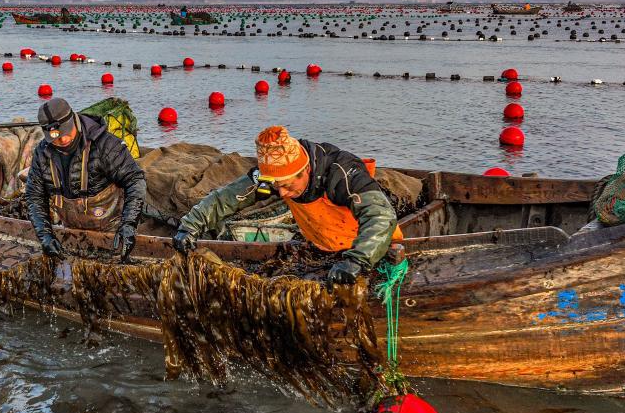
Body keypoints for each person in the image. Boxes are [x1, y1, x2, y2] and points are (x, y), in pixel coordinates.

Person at [173, 126, 398, 288]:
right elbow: (226, 198)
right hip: (322, 249)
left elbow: (380, 216)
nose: (281, 193)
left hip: (374, 250)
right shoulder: (271, 178)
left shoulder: (342, 173)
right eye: (276, 187)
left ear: (306, 170)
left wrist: (357, 260)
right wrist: (191, 226)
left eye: (287, 186)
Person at [25, 98, 146, 261]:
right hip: (71, 234)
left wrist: (129, 225)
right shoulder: (42, 154)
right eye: (56, 137)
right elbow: (35, 197)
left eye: (67, 133)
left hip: (113, 231)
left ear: (74, 120)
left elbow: (135, 180)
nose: (63, 140)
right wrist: (45, 236)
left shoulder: (105, 145)